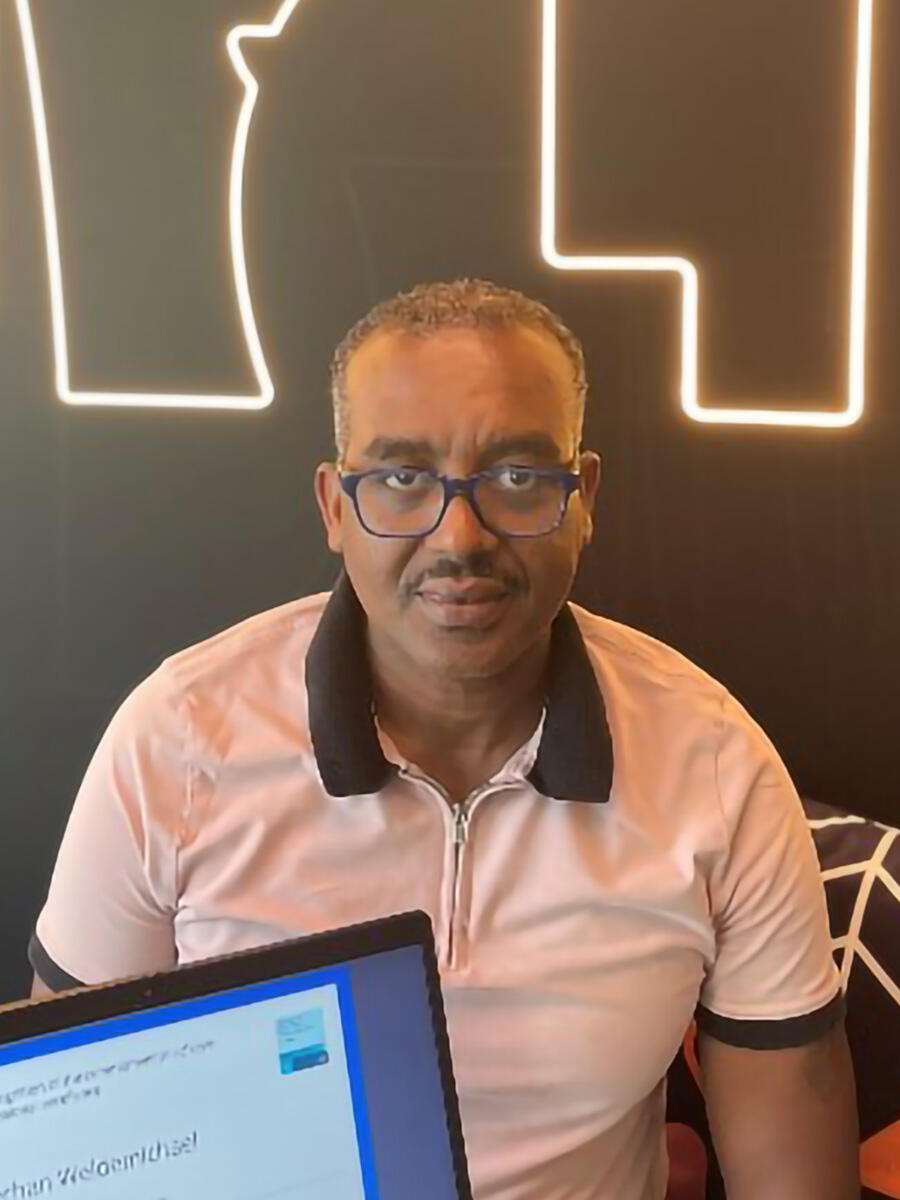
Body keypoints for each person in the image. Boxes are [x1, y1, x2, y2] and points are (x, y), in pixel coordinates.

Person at [29, 279, 859, 1199]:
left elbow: (794, 1166)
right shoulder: (175, 742)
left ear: (582, 498)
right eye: (400, 477)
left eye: (516, 476)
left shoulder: (716, 766)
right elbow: (77, 1132)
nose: (459, 536)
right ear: (334, 507)